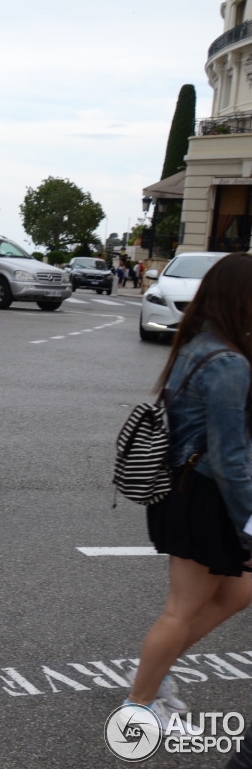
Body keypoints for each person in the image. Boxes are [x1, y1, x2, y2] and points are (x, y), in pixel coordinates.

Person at [123, 253, 252, 726]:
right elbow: (228, 457)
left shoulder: (199, 343)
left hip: (187, 490)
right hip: (203, 497)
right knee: (181, 609)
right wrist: (249, 521)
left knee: (239, 592)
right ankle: (139, 703)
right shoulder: (229, 362)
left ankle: (155, 675)